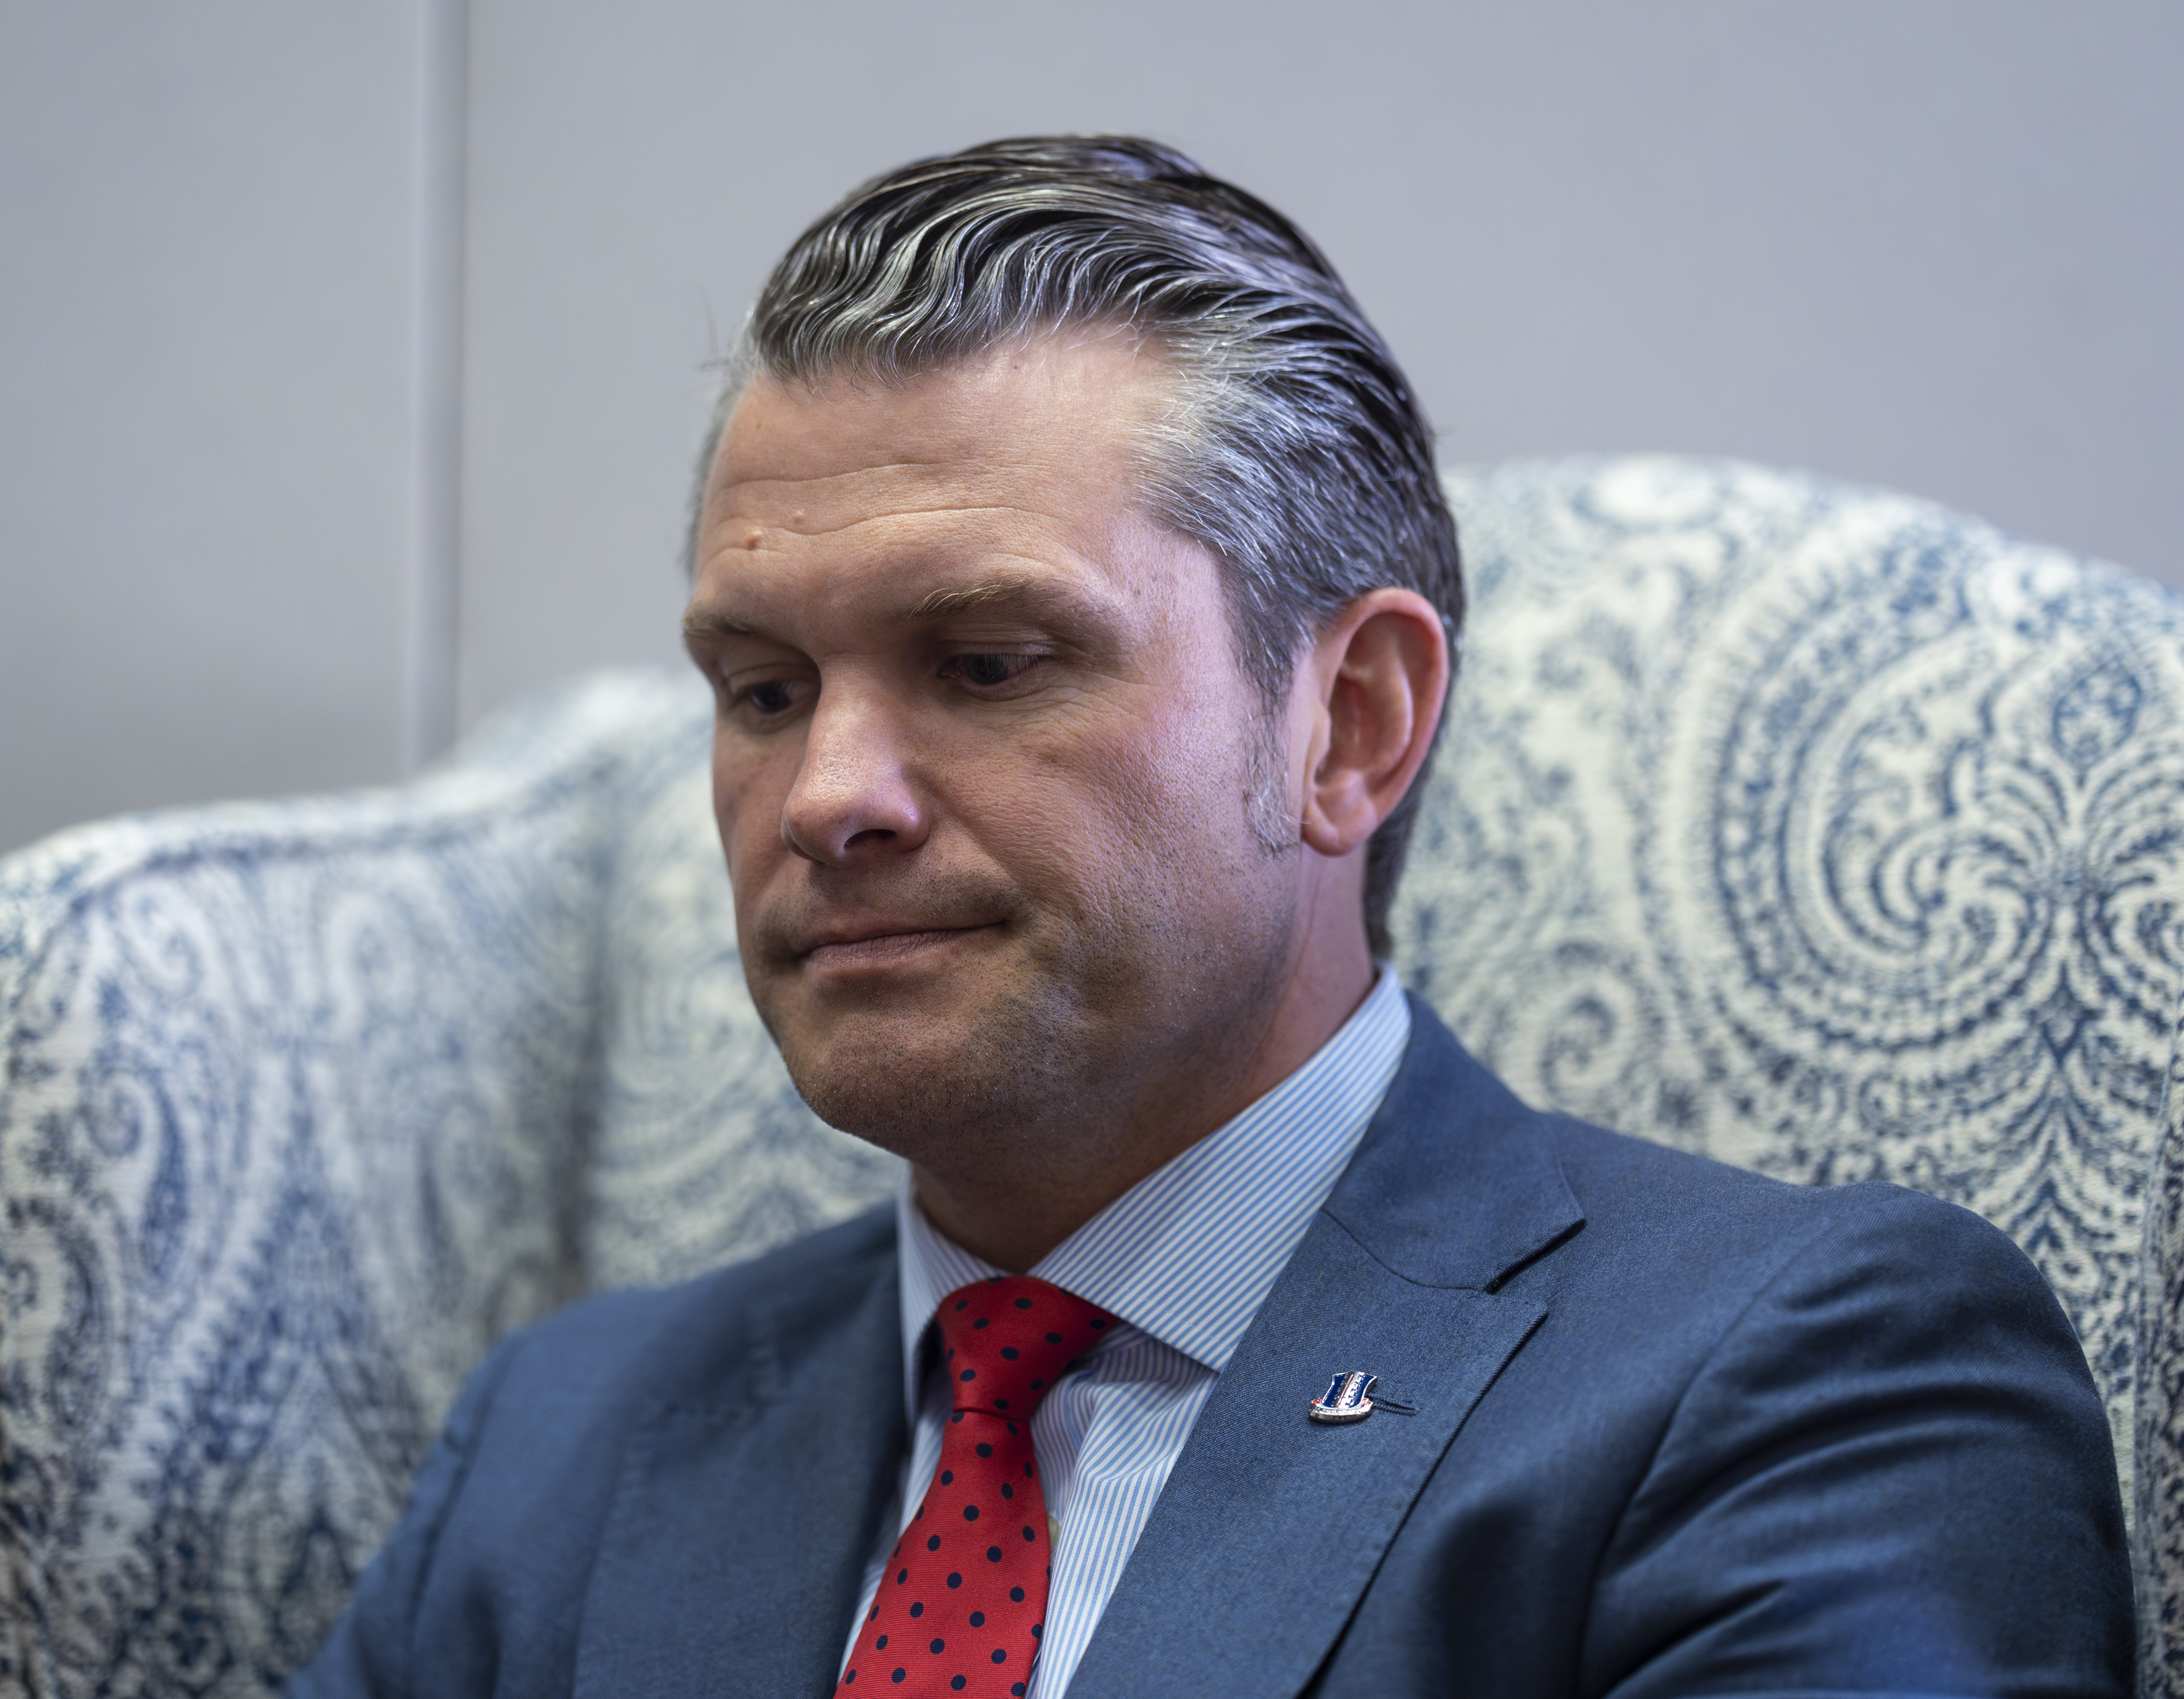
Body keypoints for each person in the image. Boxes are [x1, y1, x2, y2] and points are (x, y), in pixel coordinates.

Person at [292, 136, 2131, 1699]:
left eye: (987, 661)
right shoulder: (562, 1446)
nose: (828, 793)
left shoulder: (1798, 1378)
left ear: (1347, 726)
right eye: (762, 690)